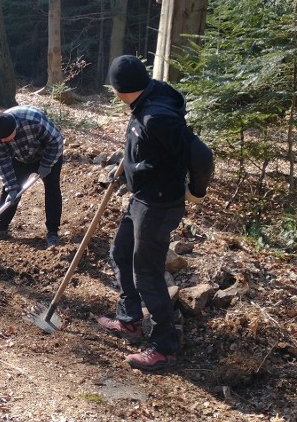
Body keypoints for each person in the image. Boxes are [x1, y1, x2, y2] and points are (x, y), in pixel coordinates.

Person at [97, 55, 213, 371]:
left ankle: (164, 346)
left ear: (120, 89)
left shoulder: (157, 116)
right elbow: (148, 150)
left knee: (146, 273)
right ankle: (130, 320)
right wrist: (127, 172)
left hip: (158, 205)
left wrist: (196, 191)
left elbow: (201, 155)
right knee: (120, 252)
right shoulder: (146, 100)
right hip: (142, 196)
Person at [0, 106, 64, 248]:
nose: (3, 141)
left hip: (47, 155)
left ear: (15, 128)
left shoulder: (34, 120)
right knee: (9, 192)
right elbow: (1, 161)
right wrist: (11, 186)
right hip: (20, 158)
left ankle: (53, 232)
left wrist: (47, 164)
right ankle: (1, 228)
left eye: (6, 138)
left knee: (52, 190)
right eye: (1, 139)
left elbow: (56, 141)